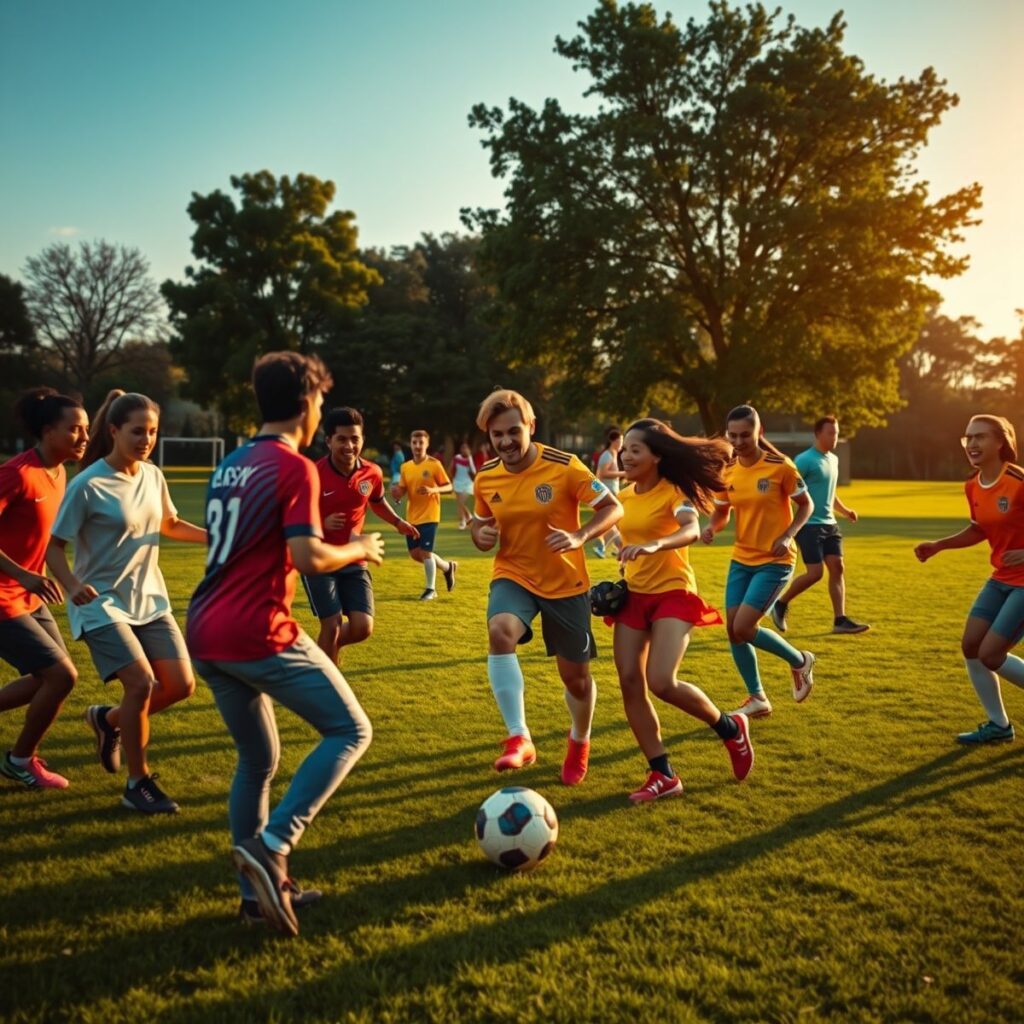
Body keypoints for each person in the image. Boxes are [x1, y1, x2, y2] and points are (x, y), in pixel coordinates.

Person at [187, 352, 384, 935]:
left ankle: (256, 897)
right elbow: (309, 555)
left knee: (258, 759)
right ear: (306, 402)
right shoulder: (294, 466)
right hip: (255, 627)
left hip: (204, 626)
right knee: (352, 730)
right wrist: (360, 550)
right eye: (321, 400)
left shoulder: (232, 462)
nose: (321, 411)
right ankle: (275, 847)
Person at [46, 390, 207, 813]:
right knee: (141, 683)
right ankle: (138, 784)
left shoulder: (153, 476)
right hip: (100, 603)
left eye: (152, 432)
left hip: (149, 600)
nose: (146, 440)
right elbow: (54, 548)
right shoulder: (87, 484)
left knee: (181, 686)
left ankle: (108, 720)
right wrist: (72, 584)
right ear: (115, 430)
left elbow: (169, 523)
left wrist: (217, 538)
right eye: (137, 431)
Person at [471, 388, 623, 784]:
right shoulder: (486, 477)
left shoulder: (565, 465)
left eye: (512, 432)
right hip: (513, 574)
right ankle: (519, 738)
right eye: (496, 435)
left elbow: (612, 507)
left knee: (575, 678)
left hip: (564, 581)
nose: (504, 442)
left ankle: (579, 740)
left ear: (531, 427)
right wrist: (479, 534)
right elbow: (483, 525)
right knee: (499, 631)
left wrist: (580, 535)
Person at [609, 419, 754, 801]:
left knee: (661, 680)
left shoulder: (674, 492)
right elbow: (617, 534)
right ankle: (663, 774)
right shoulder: (623, 497)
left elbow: (690, 529)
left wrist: (657, 545)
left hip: (673, 593)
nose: (626, 455)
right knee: (628, 680)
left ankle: (730, 728)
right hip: (634, 596)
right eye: (624, 449)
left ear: (657, 456)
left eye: (635, 449)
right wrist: (618, 550)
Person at [700, 405, 817, 719]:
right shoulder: (729, 471)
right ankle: (758, 698)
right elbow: (723, 511)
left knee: (744, 626)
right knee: (733, 631)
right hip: (741, 559)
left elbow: (807, 505)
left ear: (759, 433)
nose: (738, 441)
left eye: (745, 435)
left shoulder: (781, 466)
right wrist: (712, 527)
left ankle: (799, 661)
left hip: (775, 562)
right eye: (733, 435)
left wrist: (789, 534)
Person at [914, 415, 1024, 744]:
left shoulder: (1018, 481)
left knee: (991, 654)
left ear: (1000, 442)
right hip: (1001, 577)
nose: (972, 444)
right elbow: (979, 528)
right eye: (968, 438)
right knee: (971, 647)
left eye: (980, 437)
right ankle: (999, 726)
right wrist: (939, 545)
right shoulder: (972, 485)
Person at [0, 388, 88, 789]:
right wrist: (21, 574)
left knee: (46, 678)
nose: (84, 437)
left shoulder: (60, 472)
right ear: (48, 431)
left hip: (31, 594)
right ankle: (20, 761)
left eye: (85, 428)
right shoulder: (16, 474)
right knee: (61, 676)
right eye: (74, 430)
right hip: (4, 596)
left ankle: (21, 758)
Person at [303, 406, 418, 665]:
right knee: (331, 625)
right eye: (342, 439)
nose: (349, 445)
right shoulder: (312, 475)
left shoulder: (372, 472)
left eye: (355, 439)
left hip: (354, 557)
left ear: (362, 440)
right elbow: (290, 518)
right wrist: (322, 523)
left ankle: (319, 649)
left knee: (362, 627)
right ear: (329, 440)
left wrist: (398, 523)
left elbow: (376, 501)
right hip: (318, 557)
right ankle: (325, 690)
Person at [771, 416, 869, 635]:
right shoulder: (804, 460)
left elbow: (830, 492)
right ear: (817, 434)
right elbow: (787, 489)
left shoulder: (833, 460)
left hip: (830, 524)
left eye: (836, 432)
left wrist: (844, 511)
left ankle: (840, 620)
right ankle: (781, 603)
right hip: (810, 525)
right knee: (815, 573)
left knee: (838, 568)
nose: (834, 437)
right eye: (830, 433)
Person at [392, 429, 457, 601]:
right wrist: (397, 493)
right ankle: (447, 567)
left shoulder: (434, 464)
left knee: (426, 552)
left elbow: (449, 486)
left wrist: (434, 489)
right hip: (412, 516)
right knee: (416, 554)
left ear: (427, 444)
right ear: (411, 444)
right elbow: (403, 489)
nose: (417, 446)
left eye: (421, 442)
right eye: (414, 442)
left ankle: (430, 589)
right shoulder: (405, 467)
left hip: (430, 515)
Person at [594, 428, 625, 559]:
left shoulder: (613, 454)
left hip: (613, 492)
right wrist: (623, 473)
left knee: (613, 522)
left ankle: (610, 548)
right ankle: (618, 548)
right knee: (610, 522)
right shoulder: (607, 455)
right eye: (620, 441)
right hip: (606, 493)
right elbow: (601, 474)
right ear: (613, 441)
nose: (622, 444)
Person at [450, 440, 477, 529]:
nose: (464, 450)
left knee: (461, 502)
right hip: (457, 482)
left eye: (466, 448)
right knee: (460, 503)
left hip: (468, 483)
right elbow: (452, 469)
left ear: (469, 450)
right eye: (462, 448)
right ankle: (466, 519)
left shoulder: (470, 458)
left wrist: (469, 460)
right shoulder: (456, 458)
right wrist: (452, 479)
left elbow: (473, 471)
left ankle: (464, 520)